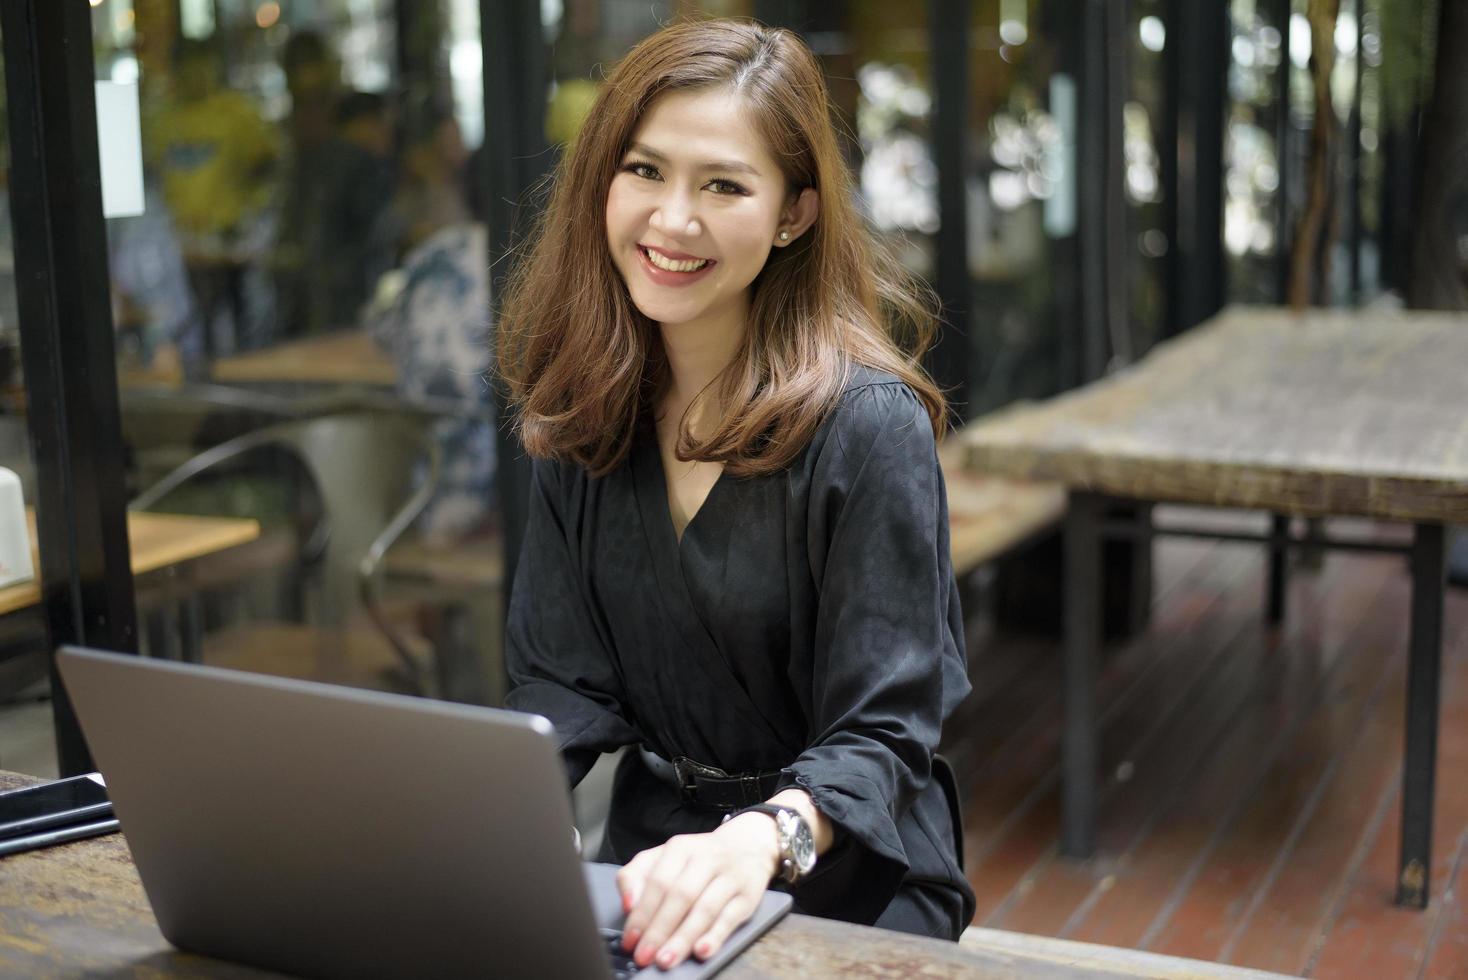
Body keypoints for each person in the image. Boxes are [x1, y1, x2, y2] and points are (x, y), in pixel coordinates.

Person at [496, 19, 975, 972]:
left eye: (723, 185)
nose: (672, 221)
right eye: (644, 171)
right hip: (655, 856)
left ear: (794, 213)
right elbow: (560, 686)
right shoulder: (588, 403)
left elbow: (886, 731)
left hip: (846, 871)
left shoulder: (869, 426)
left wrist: (757, 840)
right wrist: (492, 824)